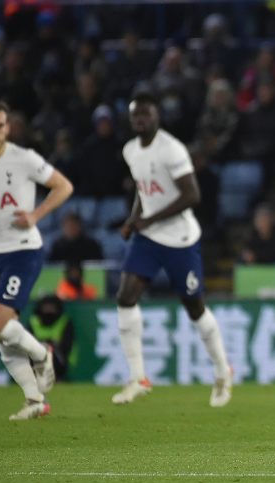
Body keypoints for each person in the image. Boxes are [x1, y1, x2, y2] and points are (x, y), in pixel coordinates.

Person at [115, 92, 231, 407]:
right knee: (125, 297)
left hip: (180, 239)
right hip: (148, 238)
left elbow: (192, 195)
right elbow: (143, 189)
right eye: (136, 115)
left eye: (146, 114)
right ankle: (138, 378)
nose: (141, 120)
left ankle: (222, 369)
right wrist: (133, 219)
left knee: (194, 307)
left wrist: (149, 218)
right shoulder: (130, 150)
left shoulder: (172, 149)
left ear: (157, 117)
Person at [0, 100, 73, 419]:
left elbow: (63, 186)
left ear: (8, 128)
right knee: (1, 333)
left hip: (23, 249)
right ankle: (34, 400)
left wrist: (36, 214)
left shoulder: (24, 159)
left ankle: (43, 354)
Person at [28, 294, 75, 379]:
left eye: (51, 306)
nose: (49, 309)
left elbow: (67, 345)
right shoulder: (33, 322)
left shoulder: (64, 321)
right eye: (46, 306)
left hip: (57, 359)